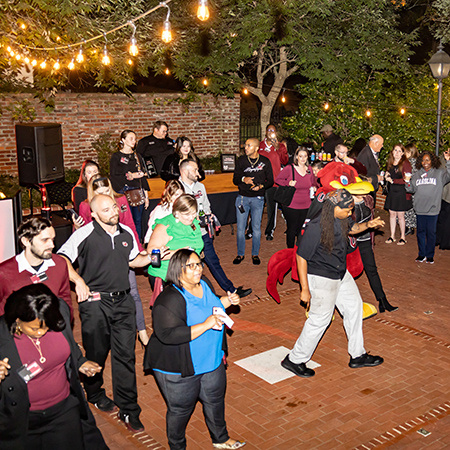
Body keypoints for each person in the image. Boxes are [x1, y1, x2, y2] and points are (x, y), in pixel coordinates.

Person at [58, 194, 151, 432]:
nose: (113, 212)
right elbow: (60, 259)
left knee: (125, 357)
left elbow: (133, 261)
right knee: (96, 354)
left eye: (114, 207)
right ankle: (94, 392)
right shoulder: (84, 234)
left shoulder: (127, 233)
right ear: (95, 214)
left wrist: (150, 257)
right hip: (95, 303)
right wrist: (78, 280)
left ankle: (129, 409)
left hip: (123, 303)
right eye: (106, 209)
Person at [144, 249, 246, 450]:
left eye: (198, 264)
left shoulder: (204, 284)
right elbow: (168, 335)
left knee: (215, 401)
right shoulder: (169, 299)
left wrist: (228, 301)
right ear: (177, 270)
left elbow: (212, 305)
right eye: (190, 266)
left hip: (211, 360)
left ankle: (221, 438)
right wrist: (206, 325)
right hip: (179, 369)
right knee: (180, 410)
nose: (197, 269)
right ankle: (177, 446)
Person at [281, 189, 385, 378]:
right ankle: (294, 359)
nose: (349, 213)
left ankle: (358, 355)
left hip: (339, 272)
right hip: (321, 277)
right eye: (347, 210)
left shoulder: (343, 217)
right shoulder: (316, 226)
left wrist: (370, 224)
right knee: (320, 320)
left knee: (354, 307)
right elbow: (301, 257)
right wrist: (305, 289)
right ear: (334, 208)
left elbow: (352, 229)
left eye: (351, 210)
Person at [0, 284, 107, 450]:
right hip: (23, 420)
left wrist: (79, 362)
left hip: (63, 411)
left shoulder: (59, 310)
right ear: (17, 320)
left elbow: (69, 345)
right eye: (34, 329)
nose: (41, 333)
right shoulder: (2, 336)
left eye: (46, 327)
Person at [78, 175, 150, 346]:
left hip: (124, 250)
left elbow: (130, 225)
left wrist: (139, 250)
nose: (105, 196)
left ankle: (142, 331)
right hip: (101, 258)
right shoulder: (85, 206)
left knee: (133, 292)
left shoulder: (120, 200)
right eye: (100, 193)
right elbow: (84, 234)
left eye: (107, 191)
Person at [179, 159, 252, 297]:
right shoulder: (177, 189)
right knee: (188, 266)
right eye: (194, 170)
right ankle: (194, 295)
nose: (198, 173)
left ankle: (231, 290)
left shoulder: (200, 186)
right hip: (185, 236)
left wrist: (208, 215)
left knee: (213, 261)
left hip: (202, 233)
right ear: (184, 171)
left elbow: (206, 205)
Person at [0, 217, 72, 318]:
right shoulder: (4, 272)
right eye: (45, 240)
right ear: (26, 241)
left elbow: (65, 300)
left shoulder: (59, 264)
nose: (52, 245)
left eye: (52, 239)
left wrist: (62, 327)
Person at [352, 193, 398, 313]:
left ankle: (383, 301)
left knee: (371, 270)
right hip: (351, 243)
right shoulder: (347, 201)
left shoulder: (367, 199)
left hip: (365, 240)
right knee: (346, 272)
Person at [147, 194, 204, 284]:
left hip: (188, 275)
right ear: (177, 213)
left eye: (193, 213)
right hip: (166, 276)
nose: (191, 217)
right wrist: (179, 253)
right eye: (187, 214)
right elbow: (152, 253)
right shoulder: (166, 225)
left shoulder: (193, 223)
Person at [233, 138, 273, 265]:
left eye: (249, 146)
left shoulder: (265, 162)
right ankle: (240, 254)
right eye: (245, 145)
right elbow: (235, 179)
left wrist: (261, 186)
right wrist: (244, 179)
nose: (246, 148)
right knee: (240, 228)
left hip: (258, 199)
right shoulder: (241, 161)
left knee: (256, 228)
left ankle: (255, 254)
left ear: (256, 148)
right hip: (243, 198)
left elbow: (270, 181)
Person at [405, 150, 450, 264]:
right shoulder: (416, 175)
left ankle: (430, 255)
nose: (425, 162)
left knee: (431, 233)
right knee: (420, 233)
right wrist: (407, 182)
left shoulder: (439, 173)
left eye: (428, 160)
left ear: (432, 161)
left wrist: (448, 160)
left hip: (433, 209)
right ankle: (421, 254)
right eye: (423, 160)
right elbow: (411, 190)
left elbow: (449, 175)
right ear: (420, 161)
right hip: (420, 209)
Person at [109, 129, 150, 242]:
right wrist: (127, 177)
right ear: (123, 140)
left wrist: (146, 195)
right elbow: (113, 176)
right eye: (131, 138)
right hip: (123, 191)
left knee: (138, 220)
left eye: (135, 139)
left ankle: (138, 243)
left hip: (137, 191)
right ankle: (124, 242)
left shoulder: (137, 156)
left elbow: (144, 174)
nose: (134, 141)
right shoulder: (116, 157)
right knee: (124, 220)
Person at [275, 146, 317, 248]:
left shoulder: (309, 170)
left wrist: (315, 187)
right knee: (292, 229)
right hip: (291, 204)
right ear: (296, 157)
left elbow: (314, 183)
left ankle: (299, 252)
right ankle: (290, 251)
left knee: (301, 230)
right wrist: (287, 183)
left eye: (305, 156)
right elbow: (277, 180)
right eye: (300, 156)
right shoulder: (290, 169)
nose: (303, 159)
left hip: (306, 204)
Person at [258, 124, 289, 240]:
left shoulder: (280, 146)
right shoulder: (260, 145)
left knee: (271, 208)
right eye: (269, 130)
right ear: (266, 132)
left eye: (273, 130)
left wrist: (278, 148)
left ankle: (269, 231)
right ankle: (251, 229)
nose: (271, 132)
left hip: (274, 182)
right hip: (260, 181)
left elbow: (285, 161)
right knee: (256, 206)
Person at [384, 144, 412, 245]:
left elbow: (407, 180)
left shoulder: (405, 163)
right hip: (392, 191)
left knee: (400, 215)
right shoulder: (391, 162)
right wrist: (386, 174)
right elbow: (389, 172)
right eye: (395, 150)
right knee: (392, 214)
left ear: (403, 153)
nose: (397, 153)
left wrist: (393, 180)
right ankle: (392, 236)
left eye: (400, 151)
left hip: (401, 192)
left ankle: (403, 237)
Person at [144, 179, 185, 244]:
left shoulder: (183, 209)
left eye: (181, 195)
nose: (179, 198)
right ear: (168, 194)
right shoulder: (160, 210)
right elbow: (151, 231)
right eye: (176, 195)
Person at [357, 134, 384, 199]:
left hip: (371, 188)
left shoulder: (372, 152)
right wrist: (376, 178)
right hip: (366, 191)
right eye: (381, 144)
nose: (382, 146)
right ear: (376, 143)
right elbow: (361, 175)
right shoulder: (365, 154)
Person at [404, 143, 420, 236]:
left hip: (411, 186)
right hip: (417, 188)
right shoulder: (418, 162)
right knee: (413, 208)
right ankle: (411, 226)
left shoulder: (410, 163)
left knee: (409, 208)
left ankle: (409, 227)